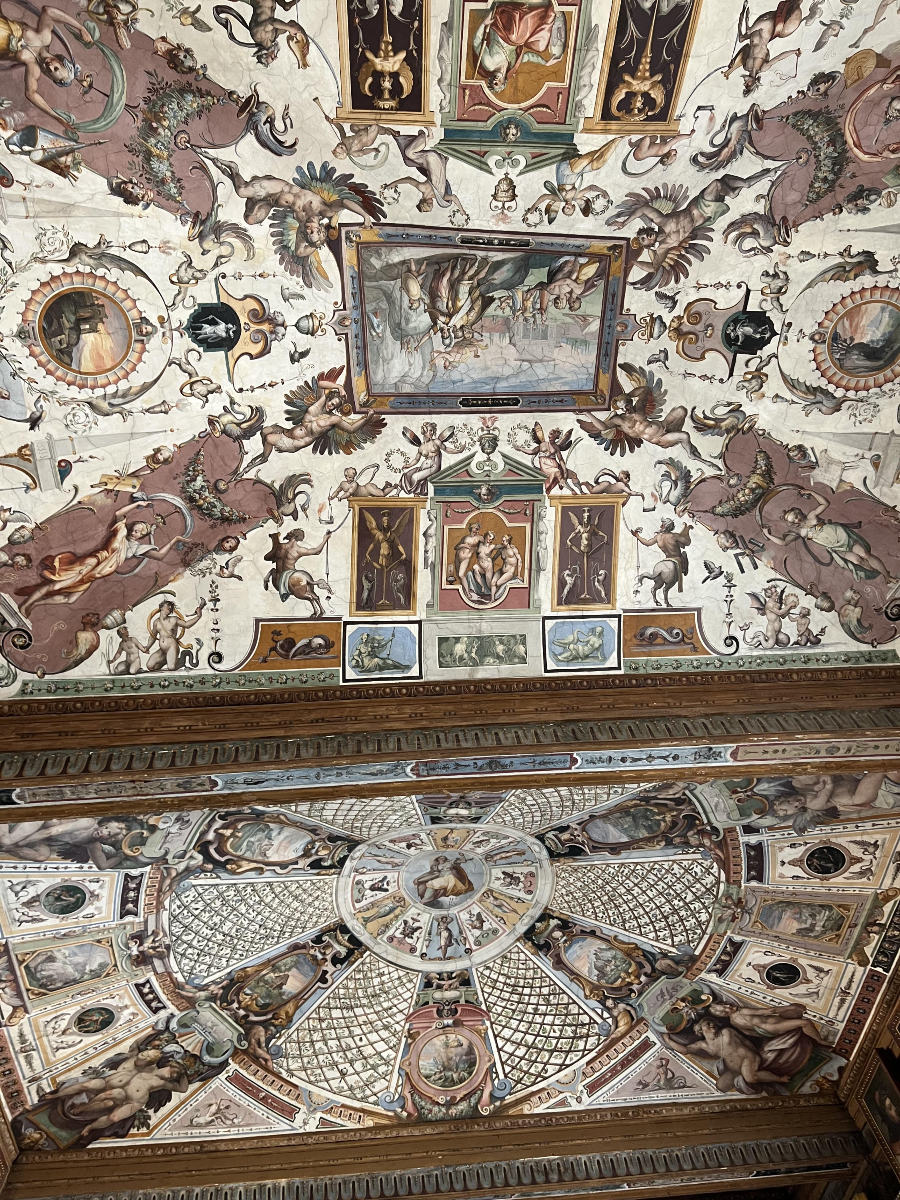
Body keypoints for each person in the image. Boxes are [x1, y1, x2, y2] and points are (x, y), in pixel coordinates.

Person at [18, 501, 185, 618]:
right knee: (57, 585)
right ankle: (25, 605)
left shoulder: (135, 548)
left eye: (140, 532)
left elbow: (160, 556)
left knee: (70, 599)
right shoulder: (121, 532)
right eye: (136, 529)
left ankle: (36, 604)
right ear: (131, 527)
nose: (136, 533)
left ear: (143, 536)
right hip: (93, 563)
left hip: (97, 574)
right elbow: (119, 514)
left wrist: (174, 540)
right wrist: (137, 504)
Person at [0, 5, 92, 132]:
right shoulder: (44, 38)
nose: (50, 67)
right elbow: (48, 11)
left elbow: (31, 94)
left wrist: (57, 117)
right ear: (60, 61)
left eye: (51, 72)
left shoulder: (33, 66)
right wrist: (81, 28)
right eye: (56, 67)